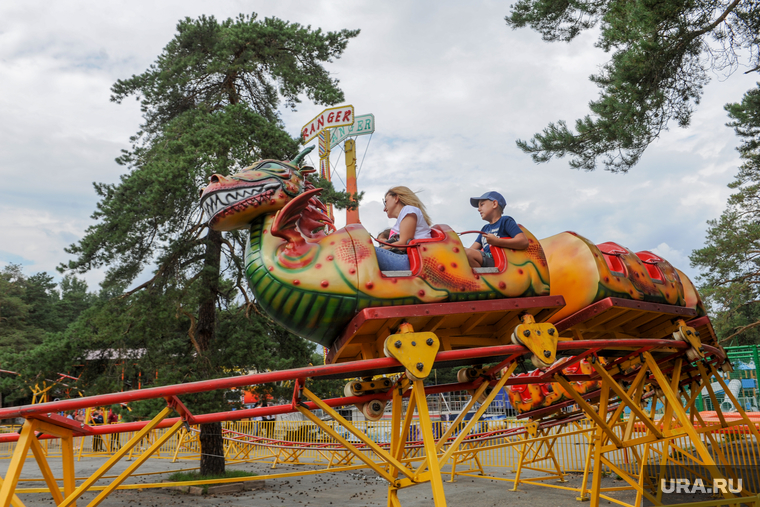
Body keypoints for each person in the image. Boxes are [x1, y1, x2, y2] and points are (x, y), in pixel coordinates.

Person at [374, 187, 433, 271]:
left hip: (413, 260)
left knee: (363, 252)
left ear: (396, 198)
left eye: (385, 202)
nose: (384, 209)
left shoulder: (408, 210)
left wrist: (376, 250)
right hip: (410, 258)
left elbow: (403, 244)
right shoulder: (404, 215)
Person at [465, 191, 528, 268]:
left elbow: (523, 241)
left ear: (494, 204)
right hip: (486, 260)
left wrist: (497, 241)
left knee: (468, 253)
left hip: (500, 261)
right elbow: (472, 249)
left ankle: (481, 278)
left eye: (482, 205)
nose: (478, 209)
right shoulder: (485, 229)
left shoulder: (505, 221)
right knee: (464, 253)